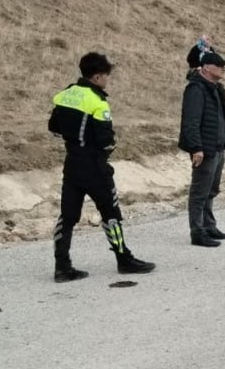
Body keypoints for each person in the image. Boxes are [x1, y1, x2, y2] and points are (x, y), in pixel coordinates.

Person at [48, 52, 155, 282]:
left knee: (67, 217)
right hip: (95, 166)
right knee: (111, 214)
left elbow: (54, 128)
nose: (107, 81)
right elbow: (106, 140)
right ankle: (123, 259)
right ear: (97, 77)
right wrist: (104, 152)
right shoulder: (97, 101)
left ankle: (61, 266)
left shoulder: (64, 95)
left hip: (72, 164)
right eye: (106, 77)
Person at [180, 51, 225, 248]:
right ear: (206, 67)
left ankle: (209, 225)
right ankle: (197, 231)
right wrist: (196, 148)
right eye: (219, 65)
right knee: (199, 192)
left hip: (218, 147)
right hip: (205, 148)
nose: (223, 69)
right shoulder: (196, 89)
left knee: (211, 190)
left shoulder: (216, 88)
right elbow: (191, 122)